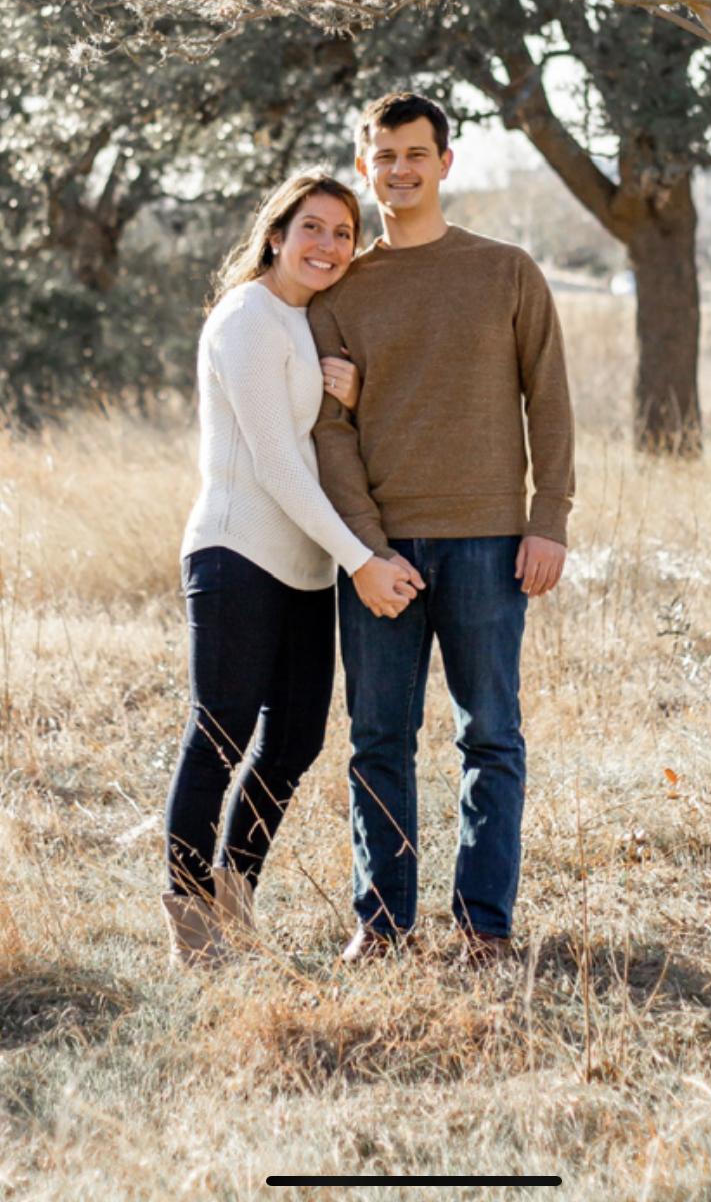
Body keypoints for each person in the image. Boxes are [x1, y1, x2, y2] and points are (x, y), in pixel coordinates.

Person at [310, 93, 574, 964]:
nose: (400, 170)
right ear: (365, 167)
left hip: (491, 543)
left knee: (489, 735)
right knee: (378, 740)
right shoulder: (342, 289)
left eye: (416, 154)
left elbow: (550, 401)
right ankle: (382, 924)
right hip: (382, 551)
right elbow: (330, 432)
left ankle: (483, 926)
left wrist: (548, 519)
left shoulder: (506, 271)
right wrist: (363, 547)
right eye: (384, 156)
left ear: (445, 163)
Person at [163, 174, 422, 969]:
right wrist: (363, 561)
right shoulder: (247, 316)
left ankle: (234, 902)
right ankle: (191, 931)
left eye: (343, 233)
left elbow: (320, 438)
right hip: (237, 553)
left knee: (296, 740)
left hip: (306, 567)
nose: (328, 246)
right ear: (276, 234)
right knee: (220, 734)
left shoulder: (308, 323)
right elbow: (277, 464)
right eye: (313, 227)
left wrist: (352, 390)